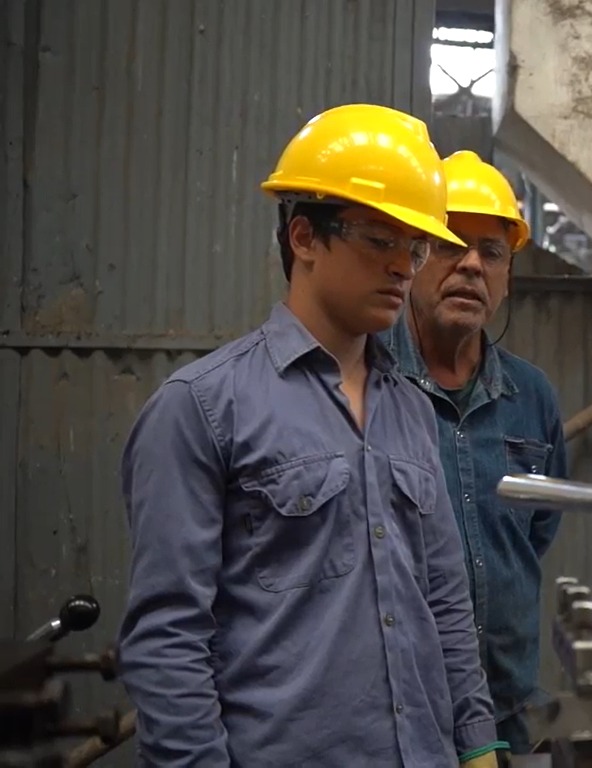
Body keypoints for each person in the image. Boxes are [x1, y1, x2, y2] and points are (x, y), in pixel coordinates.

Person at [117, 104, 506, 767]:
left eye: (412, 247)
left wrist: (477, 750)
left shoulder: (411, 409)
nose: (403, 268)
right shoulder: (203, 408)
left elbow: (444, 604)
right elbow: (168, 640)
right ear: (304, 238)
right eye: (378, 240)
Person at [379, 150, 568, 754]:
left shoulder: (531, 396)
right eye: (448, 244)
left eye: (491, 252)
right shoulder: (367, 382)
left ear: (508, 274)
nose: (470, 266)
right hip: (400, 723)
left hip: (512, 713)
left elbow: (535, 533)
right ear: (411, 258)